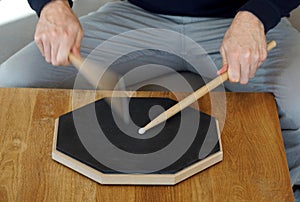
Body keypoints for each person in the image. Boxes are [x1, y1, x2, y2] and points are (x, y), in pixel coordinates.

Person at [1, 0, 300, 198]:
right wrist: (51, 5)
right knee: (12, 82)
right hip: (139, 16)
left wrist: (258, 15)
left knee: (297, 103)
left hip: (241, 21)